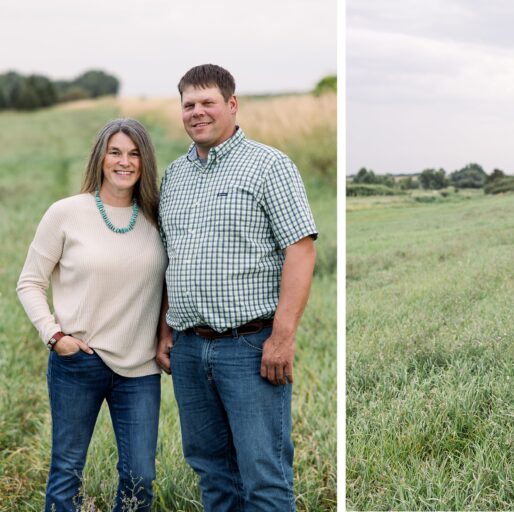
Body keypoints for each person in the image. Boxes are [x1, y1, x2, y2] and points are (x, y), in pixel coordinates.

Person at [156, 64, 318, 511]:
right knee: (213, 474)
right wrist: (166, 329)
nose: (197, 112)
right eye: (188, 104)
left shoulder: (269, 165)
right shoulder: (174, 176)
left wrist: (282, 338)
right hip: (189, 350)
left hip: (249, 348)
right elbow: (172, 259)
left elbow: (301, 251)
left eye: (207, 102)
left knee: (264, 476)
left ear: (232, 104)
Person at [16, 118, 166, 511]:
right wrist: (54, 336)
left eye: (134, 154)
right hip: (79, 361)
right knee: (67, 470)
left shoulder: (156, 219)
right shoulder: (66, 213)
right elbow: (29, 282)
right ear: (100, 157)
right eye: (115, 151)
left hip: (140, 369)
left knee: (140, 478)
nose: (124, 161)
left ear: (144, 161)